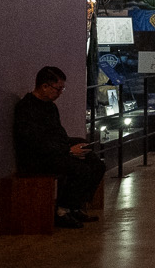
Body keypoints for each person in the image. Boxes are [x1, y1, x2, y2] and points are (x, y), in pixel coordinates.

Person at [12, 66, 106, 229]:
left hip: (55, 151)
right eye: (58, 88)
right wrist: (68, 150)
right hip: (38, 158)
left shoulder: (50, 106)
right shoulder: (26, 108)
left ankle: (75, 205)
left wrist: (73, 145)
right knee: (80, 169)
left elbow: (57, 134)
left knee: (97, 164)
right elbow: (34, 142)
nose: (60, 93)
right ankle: (62, 211)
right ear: (44, 86)